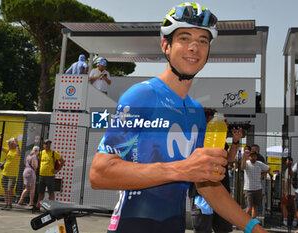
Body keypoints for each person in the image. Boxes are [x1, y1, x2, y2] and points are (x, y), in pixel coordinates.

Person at [89, 2, 268, 233]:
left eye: (203, 41)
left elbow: (208, 188)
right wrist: (182, 169)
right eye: (184, 38)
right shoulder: (142, 95)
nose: (194, 47)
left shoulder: (196, 112)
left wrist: (254, 227)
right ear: (166, 45)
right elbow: (100, 173)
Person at [190, 108, 243, 233]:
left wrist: (235, 141)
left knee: (224, 229)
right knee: (202, 229)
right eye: (212, 119)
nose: (217, 122)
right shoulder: (194, 138)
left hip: (221, 191)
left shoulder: (218, 139)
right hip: (201, 194)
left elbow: (229, 158)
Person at [35, 139, 64, 210]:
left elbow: (62, 161)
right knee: (41, 192)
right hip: (42, 176)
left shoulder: (54, 153)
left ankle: (51, 207)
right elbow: (39, 162)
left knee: (51, 192)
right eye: (46, 144)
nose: (48, 145)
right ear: (43, 145)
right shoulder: (41, 153)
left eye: (49, 144)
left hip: (50, 176)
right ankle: (38, 206)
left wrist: (57, 170)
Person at [241, 149, 270, 219]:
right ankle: (243, 221)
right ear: (249, 157)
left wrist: (263, 175)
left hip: (258, 188)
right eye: (251, 156)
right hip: (248, 189)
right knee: (249, 207)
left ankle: (252, 222)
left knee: (255, 207)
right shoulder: (247, 163)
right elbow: (242, 167)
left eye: (254, 156)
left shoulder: (259, 163)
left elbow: (268, 168)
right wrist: (244, 157)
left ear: (256, 157)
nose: (253, 158)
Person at [0, 133, 21, 210]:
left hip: (12, 174)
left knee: (10, 189)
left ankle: (10, 204)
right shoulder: (8, 150)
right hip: (5, 172)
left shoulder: (16, 150)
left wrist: (17, 144)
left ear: (13, 144)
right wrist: (0, 138)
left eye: (9, 143)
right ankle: (6, 203)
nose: (8, 144)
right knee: (5, 189)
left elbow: (19, 153)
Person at [282, 157, 297, 227]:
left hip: (291, 192)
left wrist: (286, 192)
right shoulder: (294, 168)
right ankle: (295, 221)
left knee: (283, 205)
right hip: (295, 191)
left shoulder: (288, 170)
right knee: (295, 207)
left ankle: (285, 220)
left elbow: (288, 181)